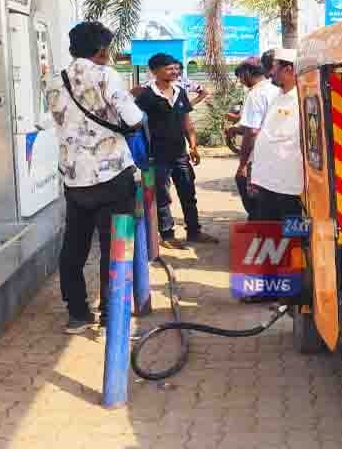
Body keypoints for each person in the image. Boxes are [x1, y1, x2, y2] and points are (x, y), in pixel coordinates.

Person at [46, 21, 144, 334]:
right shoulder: (106, 74)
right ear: (101, 49)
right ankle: (111, 315)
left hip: (74, 177)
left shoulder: (54, 80)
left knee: (74, 246)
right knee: (115, 245)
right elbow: (133, 118)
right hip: (112, 174)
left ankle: (77, 314)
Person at [132, 53, 219, 248]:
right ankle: (167, 235)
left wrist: (193, 146)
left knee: (188, 192)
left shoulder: (180, 92)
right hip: (157, 155)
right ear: (155, 71)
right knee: (162, 196)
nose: (175, 71)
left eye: (176, 68)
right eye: (169, 68)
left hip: (180, 153)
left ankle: (194, 231)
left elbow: (187, 122)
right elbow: (134, 123)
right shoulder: (146, 96)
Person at [248, 48, 304, 220]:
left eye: (274, 67)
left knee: (292, 228)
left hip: (288, 185)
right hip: (268, 181)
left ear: (288, 69)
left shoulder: (301, 98)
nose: (270, 73)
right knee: (269, 228)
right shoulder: (278, 95)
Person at [226, 57, 280, 215]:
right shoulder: (277, 89)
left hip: (259, 157)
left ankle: (258, 221)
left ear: (247, 73)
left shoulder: (256, 94)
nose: (241, 81)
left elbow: (252, 131)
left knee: (251, 194)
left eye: (240, 76)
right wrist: (237, 129)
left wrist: (243, 164)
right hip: (278, 155)